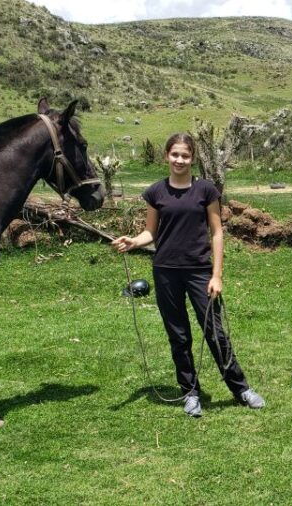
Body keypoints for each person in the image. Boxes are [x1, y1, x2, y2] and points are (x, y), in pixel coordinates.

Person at [112, 133, 264, 417]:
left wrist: (216, 275)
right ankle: (190, 392)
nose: (180, 160)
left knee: (215, 332)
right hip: (165, 272)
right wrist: (133, 241)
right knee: (178, 336)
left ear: (192, 158)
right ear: (166, 156)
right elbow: (150, 232)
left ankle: (240, 388)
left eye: (185, 155)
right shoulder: (155, 192)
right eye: (175, 155)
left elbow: (217, 233)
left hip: (199, 271)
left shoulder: (206, 190)